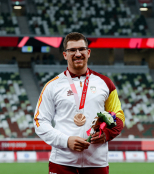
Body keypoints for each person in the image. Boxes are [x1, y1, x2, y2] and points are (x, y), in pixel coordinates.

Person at [33, 32, 125, 174]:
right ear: (65, 55)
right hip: (62, 163)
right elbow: (40, 122)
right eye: (72, 50)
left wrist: (106, 134)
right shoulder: (52, 86)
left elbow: (118, 116)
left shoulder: (105, 83)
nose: (77, 54)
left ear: (88, 52)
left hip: (96, 164)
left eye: (81, 49)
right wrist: (66, 140)